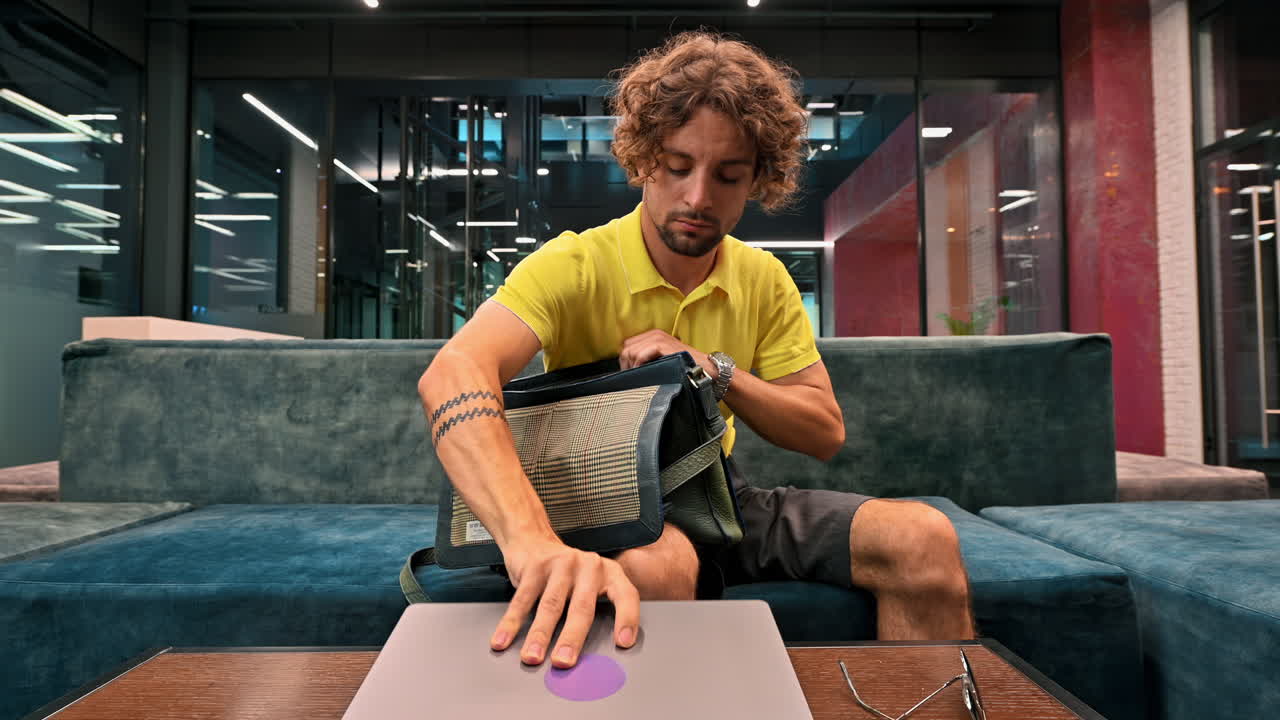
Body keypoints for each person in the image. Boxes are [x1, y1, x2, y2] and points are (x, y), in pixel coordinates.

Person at [417, 30, 975, 671]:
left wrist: (714, 370)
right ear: (643, 159)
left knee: (922, 537)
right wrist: (529, 540)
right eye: (679, 167)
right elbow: (454, 372)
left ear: (759, 179)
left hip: (720, 493)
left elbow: (823, 430)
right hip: (612, 501)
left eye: (729, 175)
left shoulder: (764, 279)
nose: (699, 197)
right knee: (656, 571)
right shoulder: (574, 263)